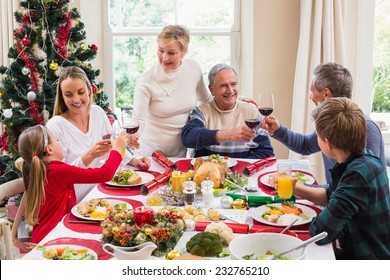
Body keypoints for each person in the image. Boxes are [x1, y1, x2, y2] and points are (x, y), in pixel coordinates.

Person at [285, 98, 390, 259]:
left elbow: (321, 232)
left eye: (317, 136)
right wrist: (297, 187)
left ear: (328, 143)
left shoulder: (357, 176)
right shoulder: (362, 160)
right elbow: (332, 193)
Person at [132, 25, 256, 158]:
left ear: (183, 52)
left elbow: (207, 98)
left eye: (171, 53)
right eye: (161, 50)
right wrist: (130, 137)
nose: (165, 57)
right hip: (149, 151)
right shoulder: (146, 81)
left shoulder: (192, 68)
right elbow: (139, 120)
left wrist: (237, 99)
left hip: (179, 152)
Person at [264, 62, 385, 183]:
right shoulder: (331, 122)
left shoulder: (366, 128)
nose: (310, 97)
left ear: (326, 94)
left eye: (312, 91)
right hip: (337, 196)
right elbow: (305, 145)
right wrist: (278, 130)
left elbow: (365, 183)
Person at [46, 66, 150, 201]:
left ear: (89, 90)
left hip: (103, 189)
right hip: (76, 198)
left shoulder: (97, 112)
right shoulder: (55, 126)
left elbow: (113, 148)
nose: (76, 100)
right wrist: (90, 155)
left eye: (81, 92)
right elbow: (59, 176)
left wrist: (133, 160)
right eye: (69, 95)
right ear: (62, 96)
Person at [16, 125, 129, 244]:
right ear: (49, 149)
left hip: (44, 235)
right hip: (53, 239)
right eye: (57, 140)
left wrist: (94, 153)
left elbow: (77, 169)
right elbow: (105, 174)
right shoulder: (57, 171)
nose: (60, 144)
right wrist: (117, 150)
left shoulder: (42, 169)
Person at [181, 64, 274, 159]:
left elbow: (266, 153)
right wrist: (227, 135)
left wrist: (240, 167)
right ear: (211, 89)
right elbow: (188, 137)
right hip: (209, 172)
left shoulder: (252, 112)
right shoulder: (202, 111)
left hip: (241, 172)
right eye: (223, 86)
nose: (230, 91)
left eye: (233, 84)